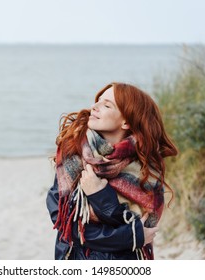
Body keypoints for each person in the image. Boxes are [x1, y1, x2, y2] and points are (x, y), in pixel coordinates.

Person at [46, 82, 178, 260]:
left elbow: (143, 226)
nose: (94, 106)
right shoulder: (74, 153)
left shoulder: (146, 172)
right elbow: (63, 222)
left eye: (106, 105)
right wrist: (131, 237)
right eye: (98, 101)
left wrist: (99, 194)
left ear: (127, 122)